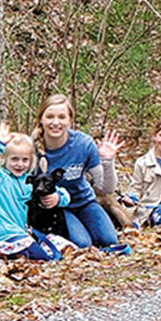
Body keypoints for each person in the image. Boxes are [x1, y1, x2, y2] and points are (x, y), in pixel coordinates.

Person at [33, 94, 124, 250]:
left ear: (70, 120)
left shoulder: (84, 144)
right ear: (41, 119)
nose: (56, 122)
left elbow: (105, 189)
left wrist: (107, 161)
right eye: (50, 117)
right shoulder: (31, 148)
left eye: (62, 117)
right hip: (56, 207)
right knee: (82, 244)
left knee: (109, 240)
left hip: (83, 201)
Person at [0, 124, 68, 261]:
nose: (20, 164)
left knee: (57, 248)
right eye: (14, 159)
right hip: (4, 233)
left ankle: (6, 253)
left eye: (25, 160)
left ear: (31, 161)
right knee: (42, 257)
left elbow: (62, 193)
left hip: (26, 233)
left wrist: (58, 197)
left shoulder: (31, 180)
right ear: (5, 158)